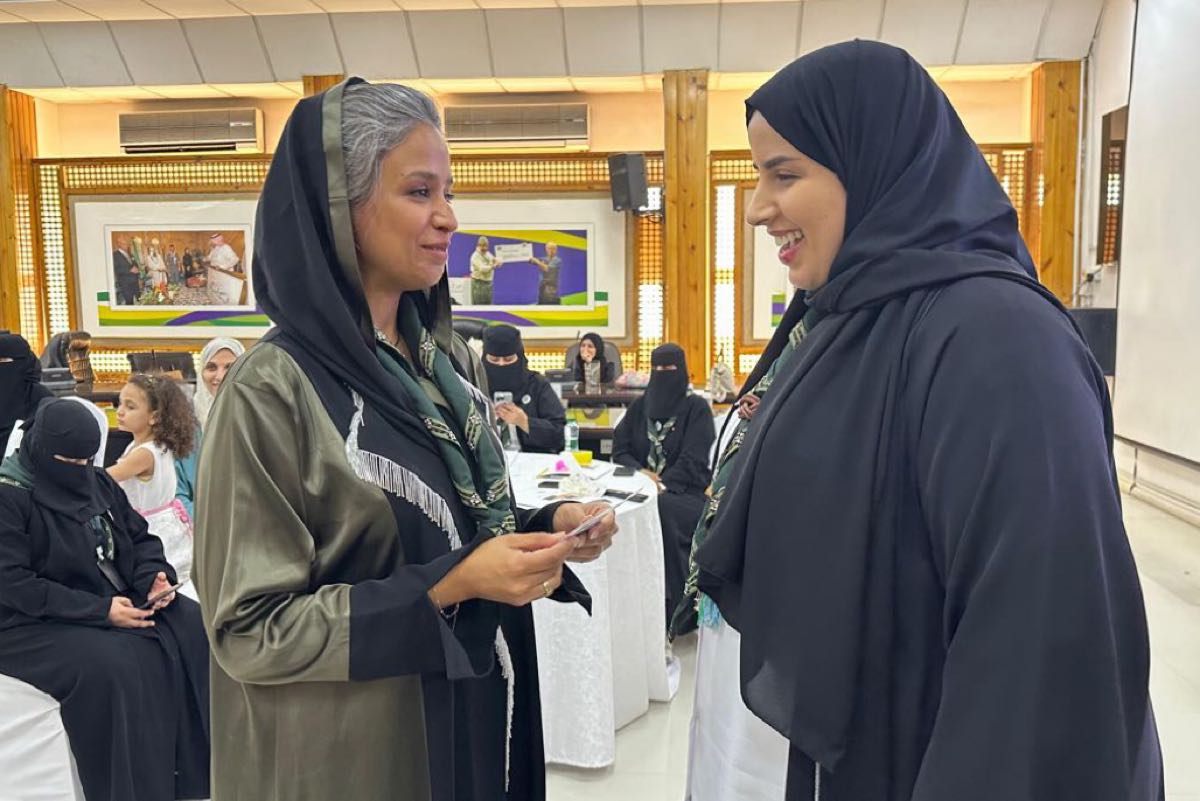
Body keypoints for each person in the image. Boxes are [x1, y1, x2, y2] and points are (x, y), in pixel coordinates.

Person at [692, 41, 1162, 801]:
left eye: (784, 173)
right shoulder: (844, 321)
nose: (755, 207)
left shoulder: (997, 339)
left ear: (873, 164)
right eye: (756, 175)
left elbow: (1041, 643)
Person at [193, 79, 618, 801]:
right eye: (419, 192)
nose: (448, 217)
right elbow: (248, 629)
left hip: (470, 704)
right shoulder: (274, 389)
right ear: (341, 208)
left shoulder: (444, 365)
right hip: (357, 752)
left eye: (447, 192)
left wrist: (546, 525)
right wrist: (452, 585)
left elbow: (445, 525)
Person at [0, 398, 210, 801]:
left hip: (109, 598)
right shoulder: (10, 496)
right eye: (69, 462)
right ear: (41, 449)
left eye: (85, 461)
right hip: (28, 621)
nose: (79, 470)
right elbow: (13, 584)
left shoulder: (97, 482)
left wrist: (153, 578)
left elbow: (139, 537)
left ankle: (193, 776)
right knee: (114, 664)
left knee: (191, 626)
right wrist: (99, 612)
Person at [613, 344, 713, 630]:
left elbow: (694, 459)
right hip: (641, 490)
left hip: (686, 494)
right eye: (656, 369)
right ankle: (632, 607)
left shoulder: (697, 409)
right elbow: (620, 450)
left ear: (681, 371)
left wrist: (662, 483)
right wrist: (641, 474)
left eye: (668, 369)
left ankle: (676, 611)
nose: (662, 374)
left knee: (662, 511)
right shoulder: (639, 407)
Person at [108, 374, 197, 597]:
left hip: (151, 529)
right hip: (165, 523)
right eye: (120, 403)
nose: (120, 411)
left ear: (154, 416)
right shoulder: (151, 445)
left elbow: (106, 478)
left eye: (130, 407)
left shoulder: (144, 454)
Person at [175, 337, 245, 517]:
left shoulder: (257, 419)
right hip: (198, 524)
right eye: (211, 367)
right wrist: (204, 522)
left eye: (229, 367)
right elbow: (177, 490)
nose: (219, 376)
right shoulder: (186, 423)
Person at [482, 324, 566, 454]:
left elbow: (560, 435)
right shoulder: (474, 386)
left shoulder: (537, 385)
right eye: (494, 360)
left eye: (508, 359)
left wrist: (525, 422)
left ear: (520, 357)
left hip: (532, 460)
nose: (501, 364)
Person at [469, 235, 502, 305]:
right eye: (482, 246)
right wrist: (493, 266)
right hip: (479, 283)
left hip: (488, 283)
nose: (484, 248)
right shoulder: (475, 256)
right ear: (478, 245)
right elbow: (482, 269)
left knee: (488, 306)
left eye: (486, 246)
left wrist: (498, 261)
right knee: (478, 306)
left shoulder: (488, 254)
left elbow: (495, 260)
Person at [529, 241, 562, 305]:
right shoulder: (543, 259)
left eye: (553, 248)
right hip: (542, 292)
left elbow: (547, 268)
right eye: (549, 248)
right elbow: (530, 260)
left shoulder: (557, 260)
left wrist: (537, 262)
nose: (551, 250)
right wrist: (525, 248)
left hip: (552, 293)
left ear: (556, 250)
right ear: (546, 249)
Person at [113, 235, 140, 305]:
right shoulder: (115, 255)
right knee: (130, 303)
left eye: (127, 244)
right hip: (126, 284)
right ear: (119, 244)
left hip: (135, 282)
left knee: (139, 300)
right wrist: (129, 270)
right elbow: (117, 269)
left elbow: (136, 264)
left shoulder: (130, 254)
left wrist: (137, 269)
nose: (127, 246)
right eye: (125, 244)